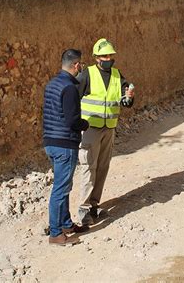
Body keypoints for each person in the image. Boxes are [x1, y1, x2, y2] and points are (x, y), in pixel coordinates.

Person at [76, 38, 135, 226]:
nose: (108, 58)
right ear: (96, 58)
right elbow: (72, 98)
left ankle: (94, 205)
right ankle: (83, 208)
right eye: (104, 56)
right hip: (90, 129)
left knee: (102, 168)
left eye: (110, 55)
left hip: (108, 128)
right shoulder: (87, 74)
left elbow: (125, 101)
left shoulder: (118, 76)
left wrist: (129, 97)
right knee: (88, 167)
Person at [43, 49, 90, 246]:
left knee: (64, 185)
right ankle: (55, 233)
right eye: (81, 65)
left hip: (51, 142)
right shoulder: (70, 88)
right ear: (76, 65)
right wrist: (85, 124)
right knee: (61, 189)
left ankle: (66, 223)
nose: (82, 68)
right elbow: (72, 120)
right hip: (65, 144)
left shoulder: (52, 84)